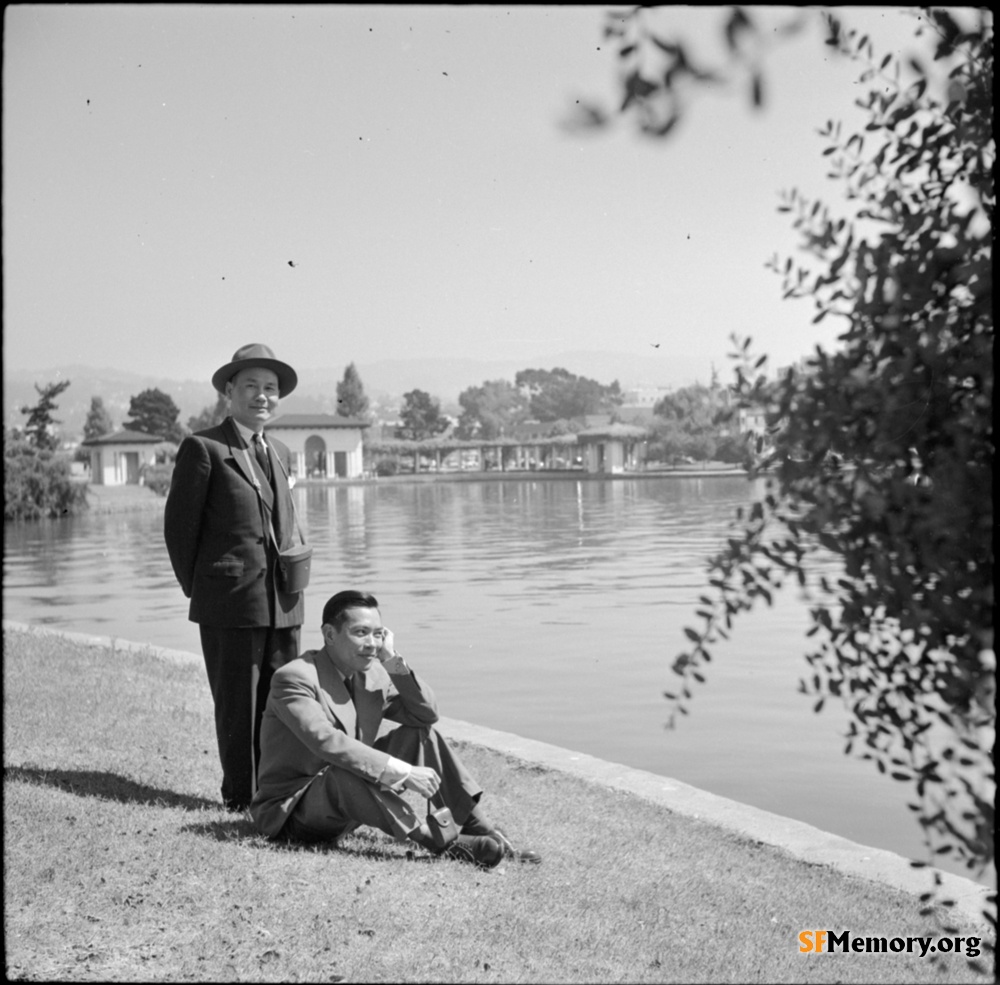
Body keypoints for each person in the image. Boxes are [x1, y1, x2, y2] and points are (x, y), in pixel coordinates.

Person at [250, 590, 541, 867]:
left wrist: (392, 661)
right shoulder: (294, 678)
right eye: (360, 633)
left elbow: (425, 715)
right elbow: (327, 743)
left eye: (378, 634)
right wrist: (404, 772)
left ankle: (482, 828)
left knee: (421, 735)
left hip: (349, 802)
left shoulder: (372, 673)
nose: (372, 644)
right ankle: (442, 844)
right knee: (343, 770)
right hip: (294, 813)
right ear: (329, 634)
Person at [164, 343, 305, 812]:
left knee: (282, 703)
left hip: (284, 602)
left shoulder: (281, 451)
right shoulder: (204, 447)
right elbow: (179, 532)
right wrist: (207, 589)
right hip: (230, 602)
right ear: (229, 392)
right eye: (251, 387)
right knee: (238, 707)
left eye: (270, 389)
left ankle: (276, 792)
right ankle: (240, 798)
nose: (262, 397)